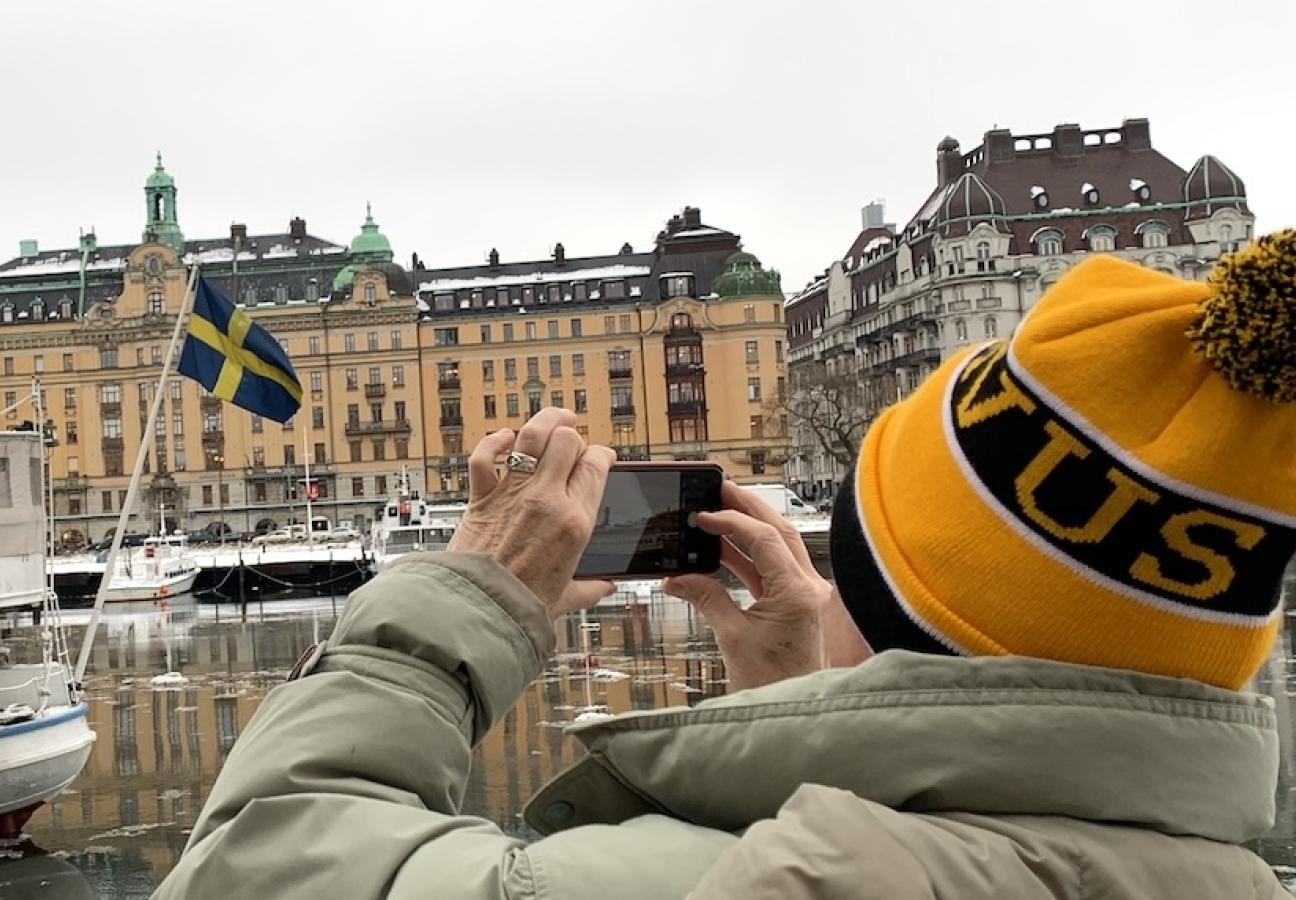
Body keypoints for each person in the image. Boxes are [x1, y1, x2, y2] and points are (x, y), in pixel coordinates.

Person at [156, 231, 1296, 898]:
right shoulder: (1220, 873)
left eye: (852, 554)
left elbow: (254, 866)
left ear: (910, 607)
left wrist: (470, 588)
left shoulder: (778, 884)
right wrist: (804, 716)